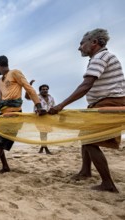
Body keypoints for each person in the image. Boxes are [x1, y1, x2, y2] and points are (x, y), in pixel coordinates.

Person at [49, 28, 125, 193]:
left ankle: (108, 184)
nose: (79, 48)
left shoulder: (100, 57)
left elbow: (86, 85)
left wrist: (61, 105)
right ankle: (85, 171)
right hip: (103, 103)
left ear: (94, 42)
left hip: (109, 103)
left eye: (82, 43)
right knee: (86, 137)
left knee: (90, 141)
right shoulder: (101, 57)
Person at [0, 55, 46, 174]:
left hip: (14, 115)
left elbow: (28, 88)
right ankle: (5, 166)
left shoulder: (15, 73)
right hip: (3, 115)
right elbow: (1, 101)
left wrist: (38, 106)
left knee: (0, 143)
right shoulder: (0, 81)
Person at [25, 80, 55, 154]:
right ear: (40, 91)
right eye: (43, 89)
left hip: (48, 118)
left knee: (45, 133)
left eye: (46, 89)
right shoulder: (37, 97)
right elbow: (27, 97)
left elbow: (53, 106)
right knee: (42, 132)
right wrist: (29, 86)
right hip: (39, 117)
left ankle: (42, 148)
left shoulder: (51, 97)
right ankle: (46, 149)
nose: (45, 90)